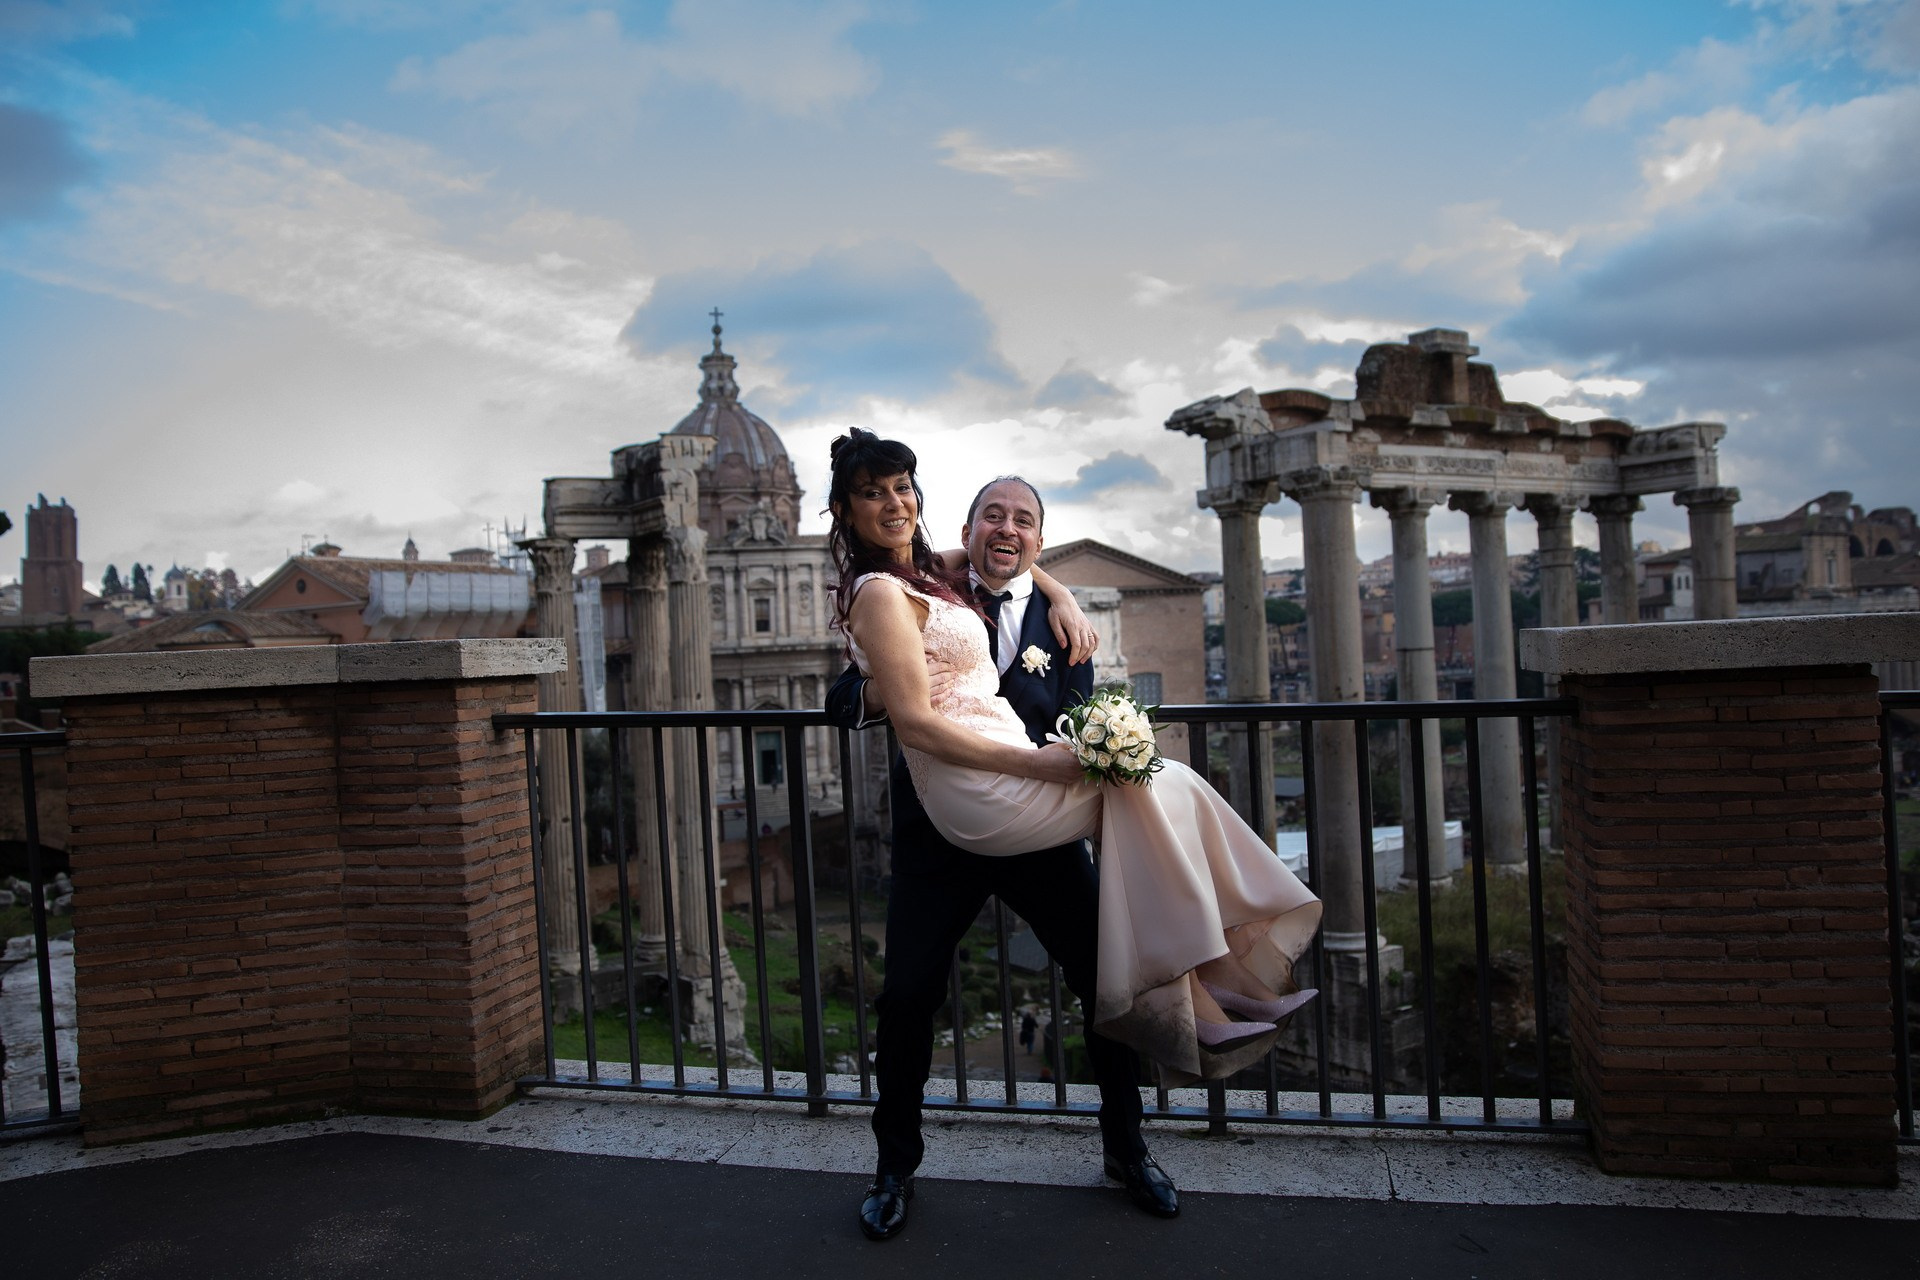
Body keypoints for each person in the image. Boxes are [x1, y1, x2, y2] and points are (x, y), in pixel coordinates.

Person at [825, 429, 1322, 1242]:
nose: (1004, 529)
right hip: (944, 829)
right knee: (908, 997)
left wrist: (1054, 590)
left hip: (1042, 833)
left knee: (1108, 979)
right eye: (992, 515)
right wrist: (869, 692)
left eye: (1022, 520)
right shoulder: (914, 586)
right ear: (970, 523)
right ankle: (894, 1169)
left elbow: (1068, 699)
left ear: (1036, 538)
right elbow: (875, 690)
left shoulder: (1059, 624)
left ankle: (1128, 1149)